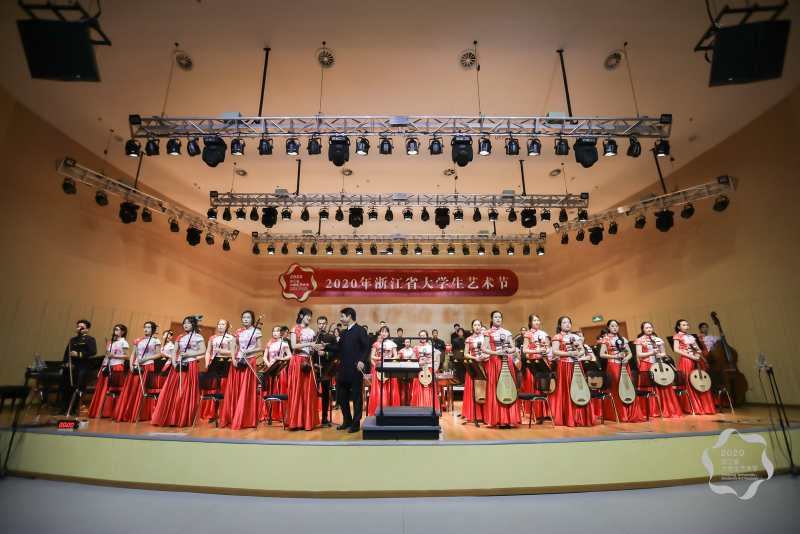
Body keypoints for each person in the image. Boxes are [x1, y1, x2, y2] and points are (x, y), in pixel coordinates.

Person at [152, 316, 206, 427]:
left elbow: (203, 350)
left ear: (193, 325)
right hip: (178, 365)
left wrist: (189, 354)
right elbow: (174, 351)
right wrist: (174, 362)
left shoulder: (198, 336)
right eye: (184, 323)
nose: (185, 325)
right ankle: (170, 417)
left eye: (188, 323)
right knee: (173, 390)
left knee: (185, 390)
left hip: (190, 365)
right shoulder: (180, 336)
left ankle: (182, 417)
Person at [550, 316, 597, 427]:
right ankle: (569, 418)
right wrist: (569, 353)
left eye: (569, 322)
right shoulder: (557, 337)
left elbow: (582, 351)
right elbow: (555, 351)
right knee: (566, 389)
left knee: (580, 388)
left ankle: (582, 417)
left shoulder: (576, 337)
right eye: (564, 322)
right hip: (564, 365)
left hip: (577, 364)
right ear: (560, 325)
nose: (567, 324)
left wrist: (578, 353)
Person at [331, 307, 371, 432]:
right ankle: (347, 420)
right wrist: (324, 349)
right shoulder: (344, 333)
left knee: (357, 397)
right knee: (342, 397)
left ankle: (356, 423)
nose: (341, 319)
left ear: (349, 316)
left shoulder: (360, 330)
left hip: (355, 369)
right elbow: (338, 348)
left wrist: (362, 361)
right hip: (343, 369)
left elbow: (367, 347)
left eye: (342, 316)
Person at [220, 311, 262, 430]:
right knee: (235, 388)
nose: (245, 319)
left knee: (246, 389)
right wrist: (233, 359)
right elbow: (233, 346)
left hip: (249, 361)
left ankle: (244, 418)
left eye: (248, 317)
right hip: (237, 360)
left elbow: (260, 347)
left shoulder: (257, 331)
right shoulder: (238, 331)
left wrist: (249, 351)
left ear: (252, 319)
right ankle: (233, 416)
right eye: (244, 317)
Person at [597, 320, 645, 423]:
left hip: (624, 365)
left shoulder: (623, 339)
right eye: (612, 326)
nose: (615, 328)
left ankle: (631, 413)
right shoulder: (606, 339)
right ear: (608, 328)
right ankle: (620, 414)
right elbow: (602, 354)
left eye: (616, 326)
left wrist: (627, 358)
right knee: (617, 387)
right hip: (613, 365)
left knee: (628, 387)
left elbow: (630, 353)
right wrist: (615, 356)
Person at [113, 321, 162, 422]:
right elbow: (133, 354)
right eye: (145, 327)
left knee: (142, 390)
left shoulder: (156, 340)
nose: (146, 329)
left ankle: (140, 414)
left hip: (148, 366)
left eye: (148, 327)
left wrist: (146, 358)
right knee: (132, 389)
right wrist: (131, 365)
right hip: (136, 366)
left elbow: (159, 354)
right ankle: (128, 412)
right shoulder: (138, 340)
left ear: (153, 329)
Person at [481, 311, 522, 428]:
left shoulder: (507, 332)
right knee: (496, 388)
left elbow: (513, 348)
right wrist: (496, 353)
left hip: (507, 362)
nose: (498, 319)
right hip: (494, 362)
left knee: (508, 387)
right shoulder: (487, 332)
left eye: (499, 317)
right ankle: (497, 419)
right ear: (491, 319)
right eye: (495, 317)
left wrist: (509, 350)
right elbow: (484, 348)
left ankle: (510, 419)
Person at [634, 322, 683, 418]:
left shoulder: (658, 339)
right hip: (646, 364)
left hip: (659, 364)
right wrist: (651, 353)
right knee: (649, 387)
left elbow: (663, 353)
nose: (649, 329)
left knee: (663, 385)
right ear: (643, 329)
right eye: (646, 328)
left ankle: (666, 409)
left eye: (650, 327)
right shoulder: (639, 340)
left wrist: (659, 354)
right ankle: (653, 411)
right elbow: (639, 354)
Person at [287, 308, 322, 431]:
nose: (309, 318)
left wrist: (317, 348)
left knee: (308, 391)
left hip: (308, 360)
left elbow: (311, 348)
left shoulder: (311, 331)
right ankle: (296, 422)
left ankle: (307, 421)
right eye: (307, 316)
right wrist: (309, 344)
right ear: (301, 316)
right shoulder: (295, 329)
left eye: (310, 316)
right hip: (298, 361)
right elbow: (293, 346)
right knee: (298, 390)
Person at [673, 319, 716, 415]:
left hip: (696, 360)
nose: (686, 326)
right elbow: (676, 349)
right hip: (686, 360)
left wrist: (698, 353)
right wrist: (690, 356)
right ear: (679, 327)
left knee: (699, 381)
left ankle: (705, 407)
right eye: (683, 325)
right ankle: (693, 407)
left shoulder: (691, 336)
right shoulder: (677, 336)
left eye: (687, 324)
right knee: (689, 382)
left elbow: (698, 349)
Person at [88, 324, 130, 418]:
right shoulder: (111, 342)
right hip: (107, 366)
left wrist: (114, 356)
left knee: (111, 390)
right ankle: (99, 411)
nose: (116, 331)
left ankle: (109, 412)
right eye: (115, 329)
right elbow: (108, 356)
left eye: (118, 329)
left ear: (123, 332)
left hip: (116, 366)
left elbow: (127, 356)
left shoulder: (124, 342)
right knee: (102, 388)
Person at [60, 319, 97, 414]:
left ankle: (73, 408)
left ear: (87, 329)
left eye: (82, 327)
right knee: (65, 387)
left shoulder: (90, 339)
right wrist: (65, 362)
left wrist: (79, 354)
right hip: (70, 367)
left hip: (82, 366)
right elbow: (66, 353)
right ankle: (63, 408)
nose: (79, 329)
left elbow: (92, 352)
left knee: (77, 387)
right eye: (78, 327)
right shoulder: (72, 340)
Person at [201, 319, 235, 422]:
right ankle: (212, 413)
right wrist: (207, 363)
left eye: (223, 324)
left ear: (227, 326)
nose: (220, 326)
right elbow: (208, 352)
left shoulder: (231, 337)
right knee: (213, 388)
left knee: (223, 388)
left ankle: (224, 413)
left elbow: (233, 352)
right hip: (214, 363)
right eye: (219, 324)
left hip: (226, 363)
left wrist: (222, 351)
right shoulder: (212, 338)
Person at [520, 314, 551, 423]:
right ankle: (537, 414)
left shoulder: (544, 334)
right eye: (534, 320)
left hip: (544, 362)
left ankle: (546, 413)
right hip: (533, 363)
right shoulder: (528, 334)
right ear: (530, 322)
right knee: (536, 388)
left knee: (545, 388)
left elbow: (548, 348)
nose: (537, 322)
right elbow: (525, 350)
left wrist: (546, 351)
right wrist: (537, 351)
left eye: (538, 320)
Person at [367, 325, 400, 416]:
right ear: (380, 333)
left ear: (388, 333)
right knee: (379, 389)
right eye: (382, 331)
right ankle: (378, 409)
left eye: (385, 331)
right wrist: (380, 358)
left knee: (391, 388)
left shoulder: (392, 344)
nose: (384, 333)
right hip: (378, 368)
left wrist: (390, 359)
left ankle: (391, 411)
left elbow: (396, 356)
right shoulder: (376, 344)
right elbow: (372, 356)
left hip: (389, 367)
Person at [263, 326, 292, 423]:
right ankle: (269, 414)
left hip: (279, 368)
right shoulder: (269, 343)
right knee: (270, 390)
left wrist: (281, 359)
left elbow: (290, 356)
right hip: (270, 368)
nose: (275, 333)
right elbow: (264, 357)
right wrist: (268, 364)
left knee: (279, 389)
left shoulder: (284, 343)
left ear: (281, 333)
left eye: (277, 331)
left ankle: (280, 414)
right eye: (274, 331)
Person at [461, 319, 488, 424]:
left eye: (479, 325)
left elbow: (490, 350)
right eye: (475, 325)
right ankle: (475, 415)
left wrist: (485, 356)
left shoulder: (486, 337)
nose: (477, 327)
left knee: (486, 390)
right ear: (472, 327)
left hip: (485, 365)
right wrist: (475, 358)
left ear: (481, 326)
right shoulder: (469, 339)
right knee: (473, 390)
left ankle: (486, 415)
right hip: (474, 366)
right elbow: (465, 354)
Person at [410, 330, 441, 410]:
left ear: (427, 336)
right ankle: (418, 408)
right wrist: (418, 363)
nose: (422, 337)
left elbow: (437, 358)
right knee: (418, 389)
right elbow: (413, 359)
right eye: (421, 336)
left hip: (429, 370)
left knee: (429, 389)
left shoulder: (431, 347)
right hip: (419, 370)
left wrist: (434, 368)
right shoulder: (416, 348)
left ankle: (431, 408)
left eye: (424, 335)